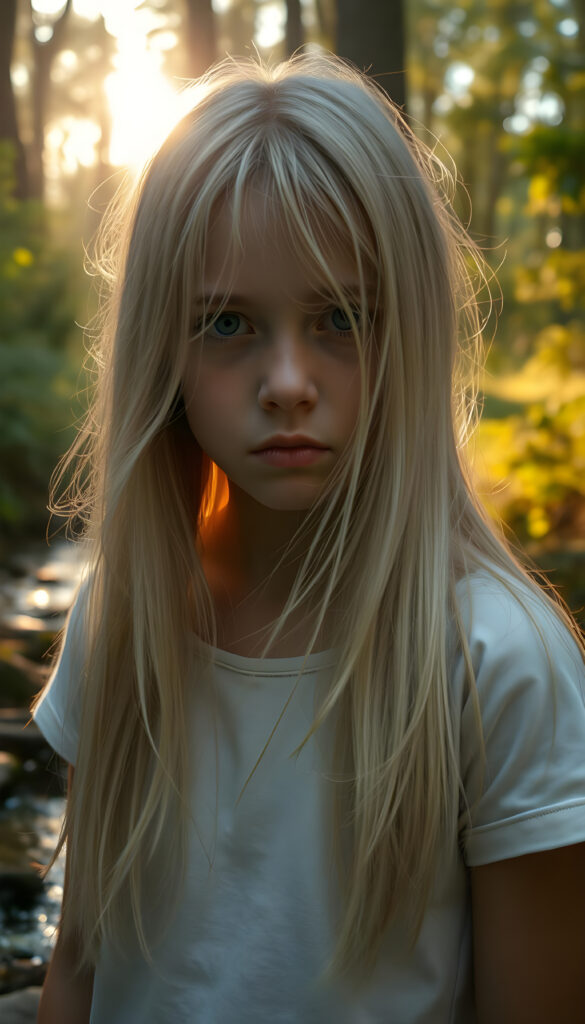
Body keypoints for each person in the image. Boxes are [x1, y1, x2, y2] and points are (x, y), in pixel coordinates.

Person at [31, 52, 585, 1024]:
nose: (288, 379)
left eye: (339, 317)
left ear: (409, 331)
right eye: (230, 322)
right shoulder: (122, 620)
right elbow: (78, 963)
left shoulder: (499, 665)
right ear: (163, 346)